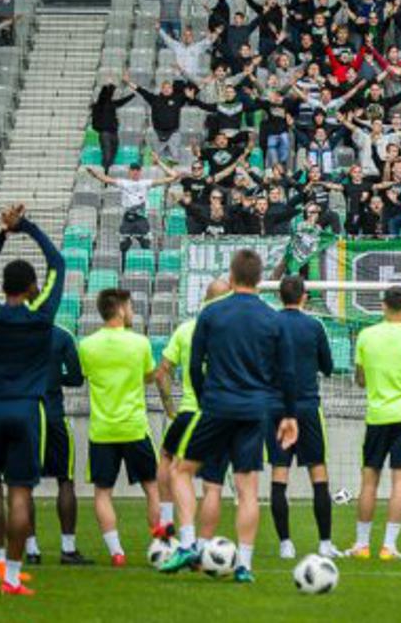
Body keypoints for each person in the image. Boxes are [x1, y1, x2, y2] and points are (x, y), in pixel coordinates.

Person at [160, 249, 298, 583]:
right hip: (254, 412)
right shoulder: (273, 318)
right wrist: (289, 416)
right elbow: (288, 372)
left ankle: (190, 544)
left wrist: (207, 396)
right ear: (259, 279)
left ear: (232, 277)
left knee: (180, 470)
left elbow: (194, 366)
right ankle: (244, 567)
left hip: (217, 406)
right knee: (247, 488)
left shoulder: (212, 314)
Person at [0, 204, 64, 595]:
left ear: (3, 287)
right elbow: (58, 262)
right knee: (20, 493)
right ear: (32, 285)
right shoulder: (41, 314)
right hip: (26, 409)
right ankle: (11, 577)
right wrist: (26, 228)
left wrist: (3, 235)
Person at [78, 288, 163, 566]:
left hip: (102, 431)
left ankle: (117, 552)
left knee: (103, 492)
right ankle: (159, 546)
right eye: (131, 306)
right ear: (121, 309)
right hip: (134, 428)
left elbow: (86, 375)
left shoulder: (87, 346)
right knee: (152, 487)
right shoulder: (139, 343)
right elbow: (149, 376)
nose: (133, 311)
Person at [349, 285, 401, 560]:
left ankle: (362, 545)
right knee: (400, 481)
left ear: (383, 306)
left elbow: (360, 379)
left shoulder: (366, 336)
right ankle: (388, 546)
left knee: (369, 479)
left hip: (377, 416)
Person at [154, 279, 232, 559]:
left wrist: (169, 408)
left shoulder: (187, 329)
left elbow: (162, 373)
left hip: (190, 410)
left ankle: (167, 522)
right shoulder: (233, 331)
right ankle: (203, 548)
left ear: (204, 299)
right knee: (213, 486)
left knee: (168, 460)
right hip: (224, 413)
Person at [269, 276, 340, 559]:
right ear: (304, 297)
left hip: (276, 408)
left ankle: (285, 544)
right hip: (308, 407)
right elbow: (329, 367)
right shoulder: (313, 325)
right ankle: (324, 543)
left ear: (279, 297)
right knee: (318, 473)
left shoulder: (270, 325)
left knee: (279, 473)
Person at [24, 325, 89, 565]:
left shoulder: (5, 331)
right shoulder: (62, 335)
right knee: (65, 479)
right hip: (53, 416)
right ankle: (68, 549)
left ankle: (31, 551)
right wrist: (53, 377)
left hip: (23, 416)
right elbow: (75, 377)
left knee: (22, 485)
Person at [85, 155, 181, 265]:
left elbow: (173, 176)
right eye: (133, 170)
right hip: (128, 219)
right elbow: (106, 179)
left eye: (137, 170)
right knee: (124, 246)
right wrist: (95, 175)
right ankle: (123, 269)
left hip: (141, 219)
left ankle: (148, 268)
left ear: (140, 172)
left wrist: (158, 162)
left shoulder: (146, 183)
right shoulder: (123, 183)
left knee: (146, 245)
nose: (135, 172)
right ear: (129, 172)